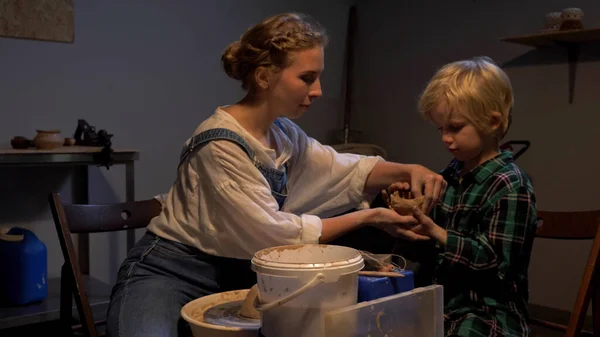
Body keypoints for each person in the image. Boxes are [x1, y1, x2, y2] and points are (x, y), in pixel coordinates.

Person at [105, 12, 447, 337]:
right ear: (265, 76)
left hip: (241, 272)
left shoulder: (282, 134)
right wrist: (368, 216)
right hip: (172, 270)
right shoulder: (220, 145)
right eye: (307, 78)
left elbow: (340, 169)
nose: (318, 91)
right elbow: (272, 237)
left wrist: (409, 169)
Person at [408, 56, 538, 337]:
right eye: (441, 128)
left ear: (492, 122)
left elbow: (495, 263)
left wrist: (437, 232)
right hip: (441, 304)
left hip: (487, 312)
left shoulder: (511, 184)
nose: (445, 138)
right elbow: (430, 251)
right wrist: (413, 212)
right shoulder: (451, 174)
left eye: (454, 127)